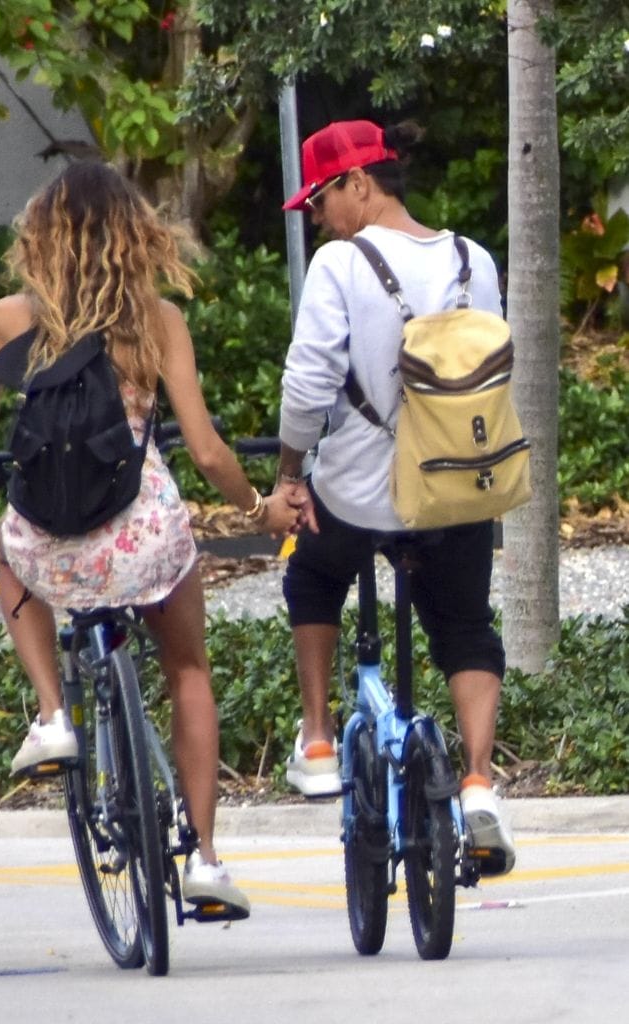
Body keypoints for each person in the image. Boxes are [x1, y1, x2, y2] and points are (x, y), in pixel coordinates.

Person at [0, 160, 299, 914]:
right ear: (137, 236)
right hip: (142, 531)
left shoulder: (11, 318)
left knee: (10, 560)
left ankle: (53, 713)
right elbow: (207, 449)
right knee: (189, 671)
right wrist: (258, 507)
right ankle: (203, 858)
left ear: (42, 238)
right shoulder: (157, 321)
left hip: (50, 536)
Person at [274, 119, 515, 873]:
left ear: (357, 184)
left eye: (318, 199)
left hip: (364, 490)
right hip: (460, 489)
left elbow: (309, 383)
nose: (316, 217)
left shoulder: (340, 264)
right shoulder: (472, 258)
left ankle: (316, 738)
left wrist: (286, 475)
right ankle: (477, 781)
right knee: (467, 628)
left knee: (310, 573)